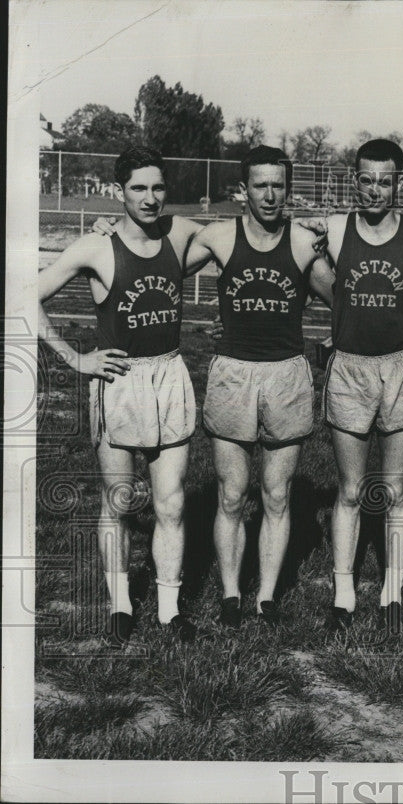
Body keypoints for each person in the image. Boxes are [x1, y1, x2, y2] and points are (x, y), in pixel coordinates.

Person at [37, 146, 203, 645]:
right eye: (137, 188)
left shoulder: (179, 233)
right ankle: (120, 605)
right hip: (120, 381)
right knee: (120, 501)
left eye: (157, 188)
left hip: (169, 376)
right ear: (119, 192)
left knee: (171, 503)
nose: (149, 198)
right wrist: (73, 356)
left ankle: (170, 612)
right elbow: (21, 292)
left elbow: (251, 235)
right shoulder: (96, 247)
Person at [184, 145, 333, 627]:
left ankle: (266, 597)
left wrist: (330, 248)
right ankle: (230, 594)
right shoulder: (220, 237)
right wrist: (109, 229)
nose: (270, 195)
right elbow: (158, 256)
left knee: (277, 495)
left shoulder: (303, 241)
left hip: (286, 374)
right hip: (233, 374)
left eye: (278, 185)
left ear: (287, 189)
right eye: (260, 185)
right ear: (243, 189)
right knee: (231, 493)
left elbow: (343, 298)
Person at [319, 139, 403, 634]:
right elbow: (276, 238)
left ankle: (392, 592)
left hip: (401, 367)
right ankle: (343, 593)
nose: (375, 190)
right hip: (349, 367)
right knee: (349, 489)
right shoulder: (332, 228)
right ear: (354, 180)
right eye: (366, 179)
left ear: (398, 183)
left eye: (385, 181)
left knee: (395, 488)